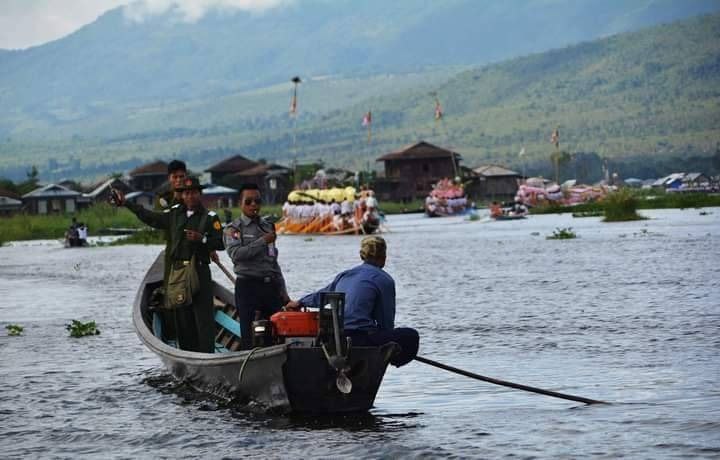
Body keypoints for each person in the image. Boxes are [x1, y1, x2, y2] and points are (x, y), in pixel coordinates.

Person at [112, 177, 224, 353]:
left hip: (199, 271)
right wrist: (127, 203)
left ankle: (207, 356)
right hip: (178, 272)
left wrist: (202, 239)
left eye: (194, 192)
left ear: (199, 194)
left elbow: (220, 243)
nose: (190, 196)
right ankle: (188, 356)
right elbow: (151, 218)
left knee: (203, 318)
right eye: (187, 193)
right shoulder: (174, 213)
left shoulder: (210, 217)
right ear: (182, 195)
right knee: (182, 318)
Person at [285, 236, 419, 367]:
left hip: (336, 337)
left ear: (362, 256)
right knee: (411, 336)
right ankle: (389, 360)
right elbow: (386, 322)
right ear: (384, 257)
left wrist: (300, 302)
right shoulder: (384, 280)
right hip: (360, 338)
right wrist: (389, 341)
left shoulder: (345, 275)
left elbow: (322, 295)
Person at [224, 183, 290, 349]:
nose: (254, 205)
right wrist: (262, 241)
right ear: (240, 203)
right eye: (249, 201)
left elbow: (273, 261)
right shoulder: (233, 229)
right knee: (251, 336)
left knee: (276, 333)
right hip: (248, 287)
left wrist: (284, 293)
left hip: (270, 287)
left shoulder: (268, 226)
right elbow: (236, 254)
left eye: (257, 201)